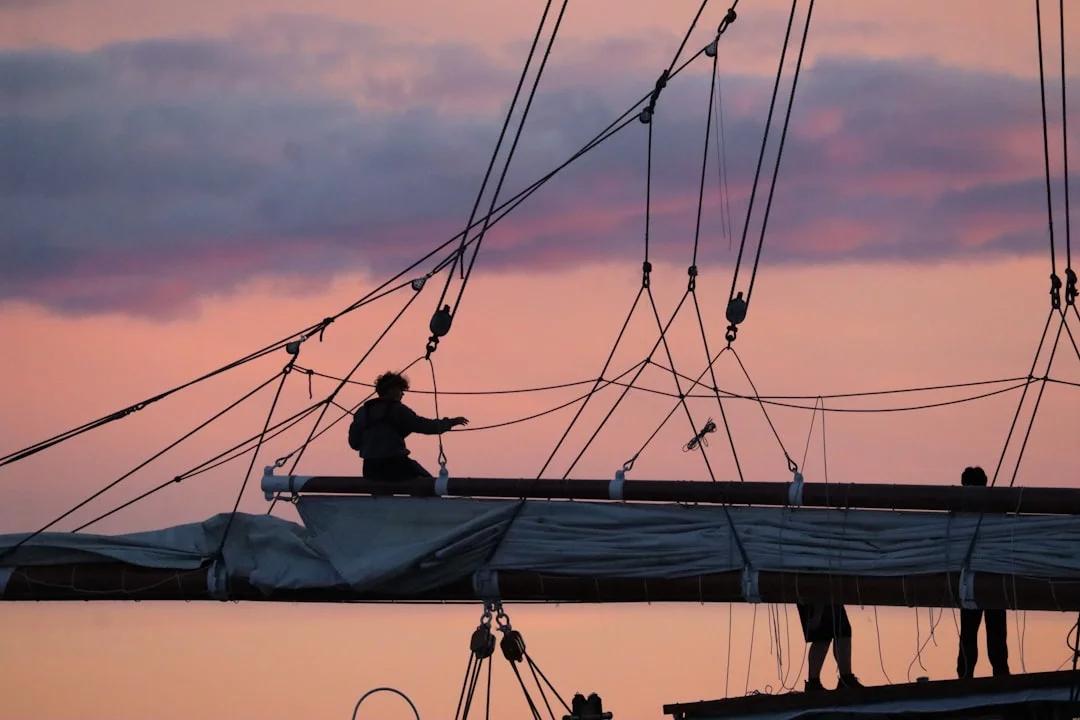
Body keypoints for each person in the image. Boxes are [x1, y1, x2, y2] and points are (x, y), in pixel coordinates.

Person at [348, 371, 468, 480]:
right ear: (391, 389)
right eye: (401, 390)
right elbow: (423, 425)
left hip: (370, 469)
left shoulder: (361, 412)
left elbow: (354, 443)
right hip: (395, 465)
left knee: (381, 497)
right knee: (429, 485)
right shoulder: (397, 409)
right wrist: (450, 422)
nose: (402, 394)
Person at [956, 466, 1010, 679]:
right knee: (996, 632)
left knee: (968, 632)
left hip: (969, 579)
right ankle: (1001, 676)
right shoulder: (997, 510)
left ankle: (965, 678)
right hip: (994, 577)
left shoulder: (960, 513)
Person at [796, 602, 863, 692]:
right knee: (822, 635)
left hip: (830, 595)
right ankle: (814, 682)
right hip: (815, 595)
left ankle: (845, 677)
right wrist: (817, 615)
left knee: (842, 632)